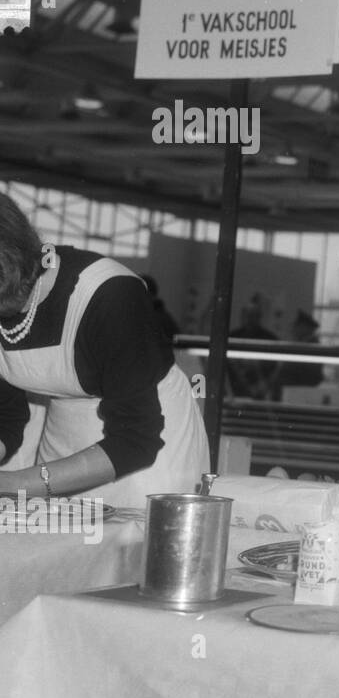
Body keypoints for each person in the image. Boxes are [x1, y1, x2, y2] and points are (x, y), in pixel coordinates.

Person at [0, 194, 209, 507]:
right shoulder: (8, 296)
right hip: (64, 443)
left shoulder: (111, 295)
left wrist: (16, 484)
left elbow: (136, 438)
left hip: (147, 453)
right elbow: (8, 414)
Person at [228, 297, 280, 400]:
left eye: (253, 316)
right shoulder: (232, 337)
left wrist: (265, 385)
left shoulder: (270, 339)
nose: (250, 319)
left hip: (263, 389)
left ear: (259, 318)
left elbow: (275, 366)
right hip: (235, 389)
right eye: (247, 315)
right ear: (242, 317)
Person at [278, 310, 324, 391]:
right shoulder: (301, 343)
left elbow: (307, 370)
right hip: (294, 386)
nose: (294, 329)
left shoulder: (312, 346)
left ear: (305, 328)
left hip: (300, 387)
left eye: (297, 326)